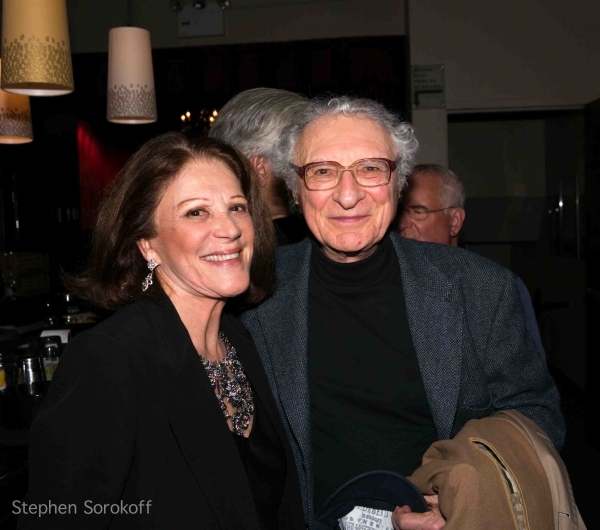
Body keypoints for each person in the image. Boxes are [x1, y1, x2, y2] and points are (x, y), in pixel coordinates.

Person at [240, 96, 565, 529]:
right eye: (323, 172)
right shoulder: (254, 294)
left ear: (398, 181)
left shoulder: (480, 288)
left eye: (371, 169)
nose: (348, 194)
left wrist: (448, 500)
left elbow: (536, 417)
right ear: (296, 189)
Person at [19, 134, 305, 529]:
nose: (230, 229)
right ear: (147, 244)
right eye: (196, 213)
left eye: (237, 207)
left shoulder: (240, 339)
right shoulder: (110, 358)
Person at [396, 164, 545, 359]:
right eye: (399, 212)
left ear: (455, 221)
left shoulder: (496, 289)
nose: (402, 224)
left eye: (418, 211)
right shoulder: (389, 279)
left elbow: (527, 379)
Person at [209, 87, 310, 246]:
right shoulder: (287, 249)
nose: (308, 171)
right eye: (298, 158)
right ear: (261, 168)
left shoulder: (219, 237)